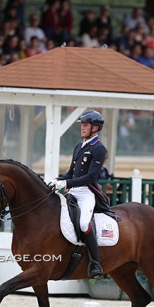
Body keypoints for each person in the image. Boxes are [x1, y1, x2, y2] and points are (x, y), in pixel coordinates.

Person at [49, 110, 107, 279]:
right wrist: (56, 180)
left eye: (86, 125)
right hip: (73, 190)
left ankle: (95, 263)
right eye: (82, 125)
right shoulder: (78, 146)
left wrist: (66, 183)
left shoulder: (99, 149)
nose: (82, 128)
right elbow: (71, 173)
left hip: (86, 193)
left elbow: (90, 177)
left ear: (95, 128)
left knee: (83, 223)